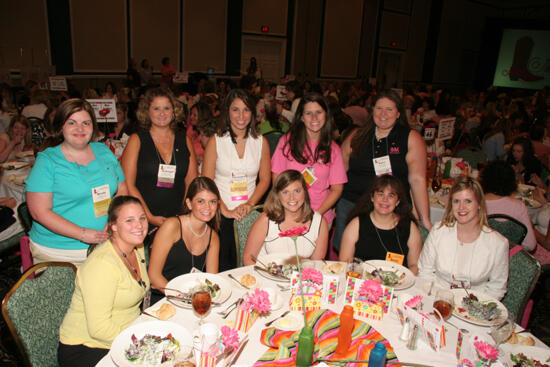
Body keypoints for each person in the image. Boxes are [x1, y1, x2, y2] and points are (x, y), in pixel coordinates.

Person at [25, 99, 127, 265]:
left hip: (105, 244)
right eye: (72, 123)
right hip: (60, 253)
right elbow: (39, 212)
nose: (80, 129)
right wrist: (83, 234)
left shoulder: (103, 151)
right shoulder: (47, 161)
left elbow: (122, 189)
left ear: (93, 126)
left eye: (86, 123)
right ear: (61, 126)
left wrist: (113, 221)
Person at [334, 89, 431, 251]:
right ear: (372, 110)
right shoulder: (357, 135)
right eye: (379, 108)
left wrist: (424, 218)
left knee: (383, 256)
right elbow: (340, 170)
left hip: (390, 208)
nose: (383, 114)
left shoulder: (410, 138)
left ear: (398, 113)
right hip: (351, 205)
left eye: (389, 109)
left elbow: (417, 180)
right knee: (348, 256)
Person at [58, 196, 149, 367]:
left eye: (142, 218)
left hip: (126, 333)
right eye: (129, 220)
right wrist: (142, 339)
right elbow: (99, 328)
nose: (139, 225)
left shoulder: (137, 247)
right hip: (88, 347)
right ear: (113, 226)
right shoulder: (102, 265)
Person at [202, 88, 271, 271]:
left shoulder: (261, 142)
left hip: (248, 214)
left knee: (247, 267)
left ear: (252, 113)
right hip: (219, 213)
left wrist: (249, 205)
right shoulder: (215, 141)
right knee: (221, 268)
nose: (241, 115)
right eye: (235, 109)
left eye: (246, 109)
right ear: (227, 112)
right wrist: (224, 209)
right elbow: (207, 180)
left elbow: (265, 179)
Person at [121, 87, 198, 234]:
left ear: (174, 111)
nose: (162, 113)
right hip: (143, 220)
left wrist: (184, 214)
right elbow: (128, 184)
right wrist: (148, 217)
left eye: (167, 108)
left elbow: (191, 181)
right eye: (156, 108)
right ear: (147, 112)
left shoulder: (184, 140)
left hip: (178, 219)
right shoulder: (137, 140)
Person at [418, 177, 509, 300]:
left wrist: (473, 310)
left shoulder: (498, 244)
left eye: (468, 201)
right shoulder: (439, 231)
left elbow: (497, 288)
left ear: (479, 204)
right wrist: (439, 299)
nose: (461, 207)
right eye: (456, 201)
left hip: (475, 307)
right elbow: (424, 272)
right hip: (437, 300)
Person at [271, 92, 347, 226]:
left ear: (326, 115)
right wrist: (289, 210)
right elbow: (277, 178)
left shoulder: (333, 149)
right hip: (289, 214)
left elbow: (337, 189)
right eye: (308, 113)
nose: (314, 117)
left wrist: (315, 215)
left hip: (320, 216)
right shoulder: (287, 142)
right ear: (301, 117)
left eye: (319, 112)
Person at [148, 177, 220, 303]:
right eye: (200, 201)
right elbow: (154, 276)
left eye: (212, 201)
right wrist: (183, 298)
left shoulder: (213, 237)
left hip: (192, 299)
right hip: (162, 297)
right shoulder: (172, 226)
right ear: (189, 203)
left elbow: (211, 280)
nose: (207, 207)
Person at [339, 174, 422, 274]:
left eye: (391, 195)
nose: (385, 199)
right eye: (380, 194)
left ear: (397, 202)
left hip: (397, 284)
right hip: (362, 282)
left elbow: (415, 265)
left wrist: (401, 280)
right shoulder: (356, 224)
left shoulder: (410, 227)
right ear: (372, 197)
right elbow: (345, 263)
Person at [242, 169, 328, 265]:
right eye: (285, 192)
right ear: (278, 195)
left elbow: (316, 265)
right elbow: (248, 258)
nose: (292, 197)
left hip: (299, 278)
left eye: (297, 191)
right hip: (265, 275)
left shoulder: (319, 223)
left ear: (305, 192)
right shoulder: (266, 220)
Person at [480, 160, 536, 252]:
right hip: (508, 260)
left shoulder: (473, 202)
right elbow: (530, 245)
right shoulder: (518, 206)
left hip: (479, 257)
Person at [186, 101, 213, 166]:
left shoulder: (209, 133)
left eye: (195, 115)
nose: (191, 117)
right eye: (191, 114)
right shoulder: (191, 129)